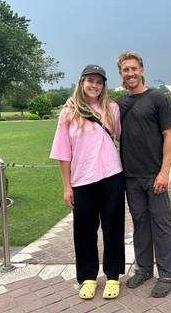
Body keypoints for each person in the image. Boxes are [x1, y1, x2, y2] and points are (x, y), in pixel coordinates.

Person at [50, 65, 125, 300]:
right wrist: (66, 186)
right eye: (90, 81)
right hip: (82, 180)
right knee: (84, 231)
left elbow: (120, 136)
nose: (94, 85)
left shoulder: (112, 108)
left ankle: (113, 276)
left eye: (99, 82)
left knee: (113, 228)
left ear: (104, 85)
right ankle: (88, 277)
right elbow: (63, 153)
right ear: (82, 82)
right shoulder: (69, 112)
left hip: (112, 175)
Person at [115, 51, 171, 298]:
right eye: (125, 70)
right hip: (131, 176)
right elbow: (93, 113)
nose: (130, 73)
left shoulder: (157, 99)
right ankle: (144, 269)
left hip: (154, 175)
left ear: (141, 70)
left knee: (161, 225)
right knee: (140, 225)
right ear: (121, 74)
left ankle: (166, 274)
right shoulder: (118, 104)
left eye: (133, 69)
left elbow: (169, 135)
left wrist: (164, 171)